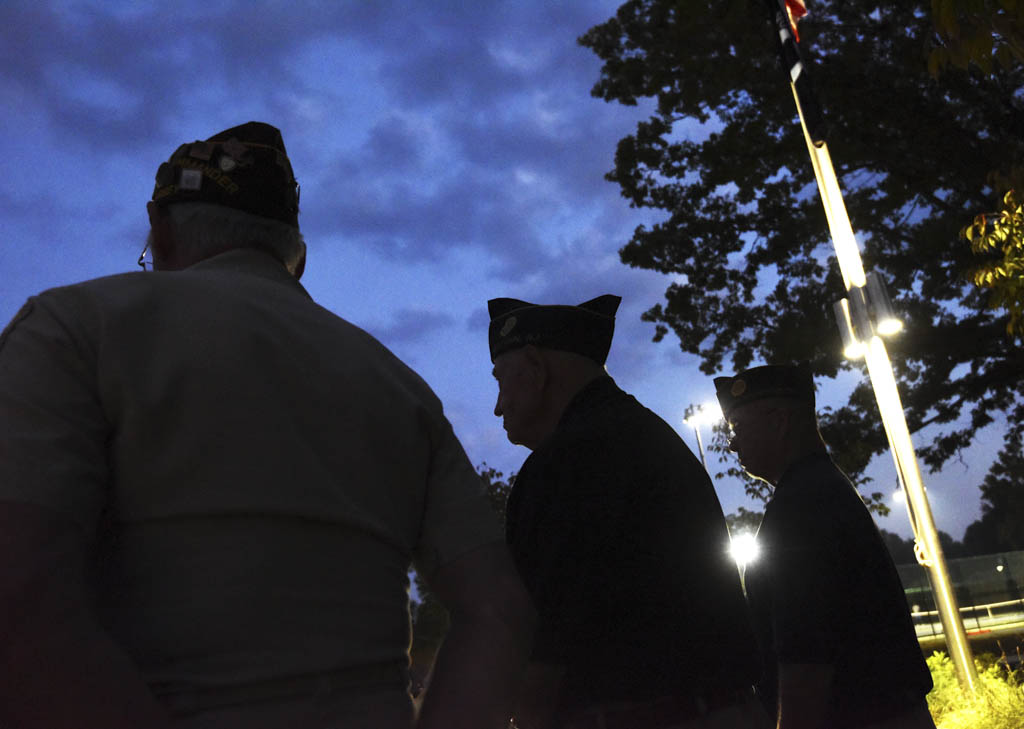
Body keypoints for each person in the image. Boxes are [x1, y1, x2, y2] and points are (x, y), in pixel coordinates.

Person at [0, 121, 534, 729]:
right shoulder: (399, 387)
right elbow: (498, 612)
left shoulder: (73, 328)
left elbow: (18, 594)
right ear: (295, 257)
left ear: (161, 231)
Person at [488, 295, 769, 729]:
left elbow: (541, 645)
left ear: (534, 366)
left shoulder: (566, 462)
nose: (498, 405)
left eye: (501, 382)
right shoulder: (646, 438)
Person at [714, 363, 936, 729]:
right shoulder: (823, 489)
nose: (732, 443)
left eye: (737, 427)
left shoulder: (800, 507)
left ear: (779, 421)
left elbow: (806, 657)